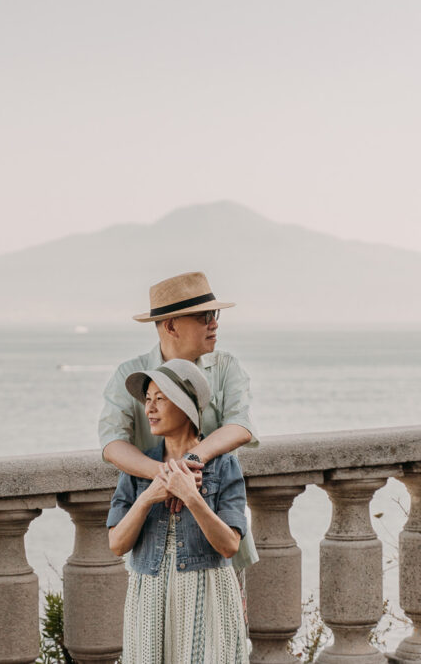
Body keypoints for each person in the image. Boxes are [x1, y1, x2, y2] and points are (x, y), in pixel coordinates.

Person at [98, 271, 259, 569]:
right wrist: (167, 476)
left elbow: (240, 427)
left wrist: (189, 461)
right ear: (171, 325)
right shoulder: (129, 374)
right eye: (204, 316)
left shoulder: (226, 367)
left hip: (219, 538)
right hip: (154, 545)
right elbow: (112, 444)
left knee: (228, 615)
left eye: (215, 313)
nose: (215, 323)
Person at [107, 358, 250, 663]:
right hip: (149, 594)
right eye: (148, 399)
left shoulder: (224, 466)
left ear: (185, 407)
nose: (150, 409)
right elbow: (117, 544)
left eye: (160, 399)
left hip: (207, 592)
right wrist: (149, 496)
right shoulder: (137, 468)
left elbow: (229, 546)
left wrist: (191, 496)